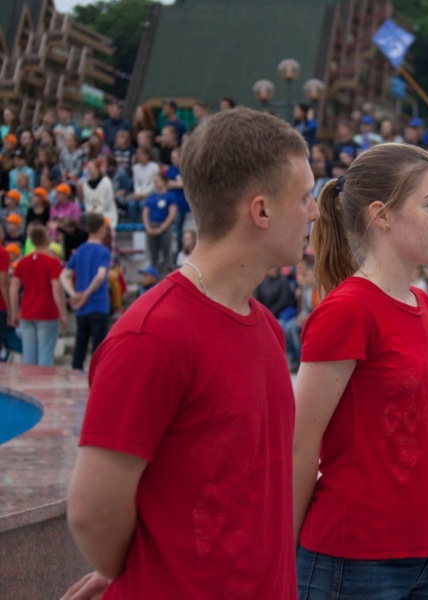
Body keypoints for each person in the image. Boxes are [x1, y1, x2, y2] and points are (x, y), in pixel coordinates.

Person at [63, 108, 317, 599]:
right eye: (305, 196)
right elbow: (92, 511)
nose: (314, 212)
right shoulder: (153, 337)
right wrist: (146, 568)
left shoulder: (264, 325)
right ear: (261, 211)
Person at [292, 143, 428, 599]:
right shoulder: (347, 310)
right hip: (353, 557)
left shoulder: (423, 304)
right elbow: (299, 445)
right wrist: (281, 555)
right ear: (382, 215)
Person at [8, 224, 66, 366]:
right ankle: (43, 381)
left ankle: (28, 380)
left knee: (28, 354)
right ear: (47, 240)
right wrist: (62, 312)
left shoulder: (23, 262)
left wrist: (14, 311)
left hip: (27, 311)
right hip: (47, 312)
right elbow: (57, 288)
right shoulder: (52, 262)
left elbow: (13, 288)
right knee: (45, 354)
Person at [60, 213, 111, 372]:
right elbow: (100, 275)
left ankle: (75, 376)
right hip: (98, 304)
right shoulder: (103, 251)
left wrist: (74, 294)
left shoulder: (80, 250)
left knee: (80, 345)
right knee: (98, 347)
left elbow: (64, 275)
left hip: (82, 308)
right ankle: (97, 378)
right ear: (101, 229)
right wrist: (87, 293)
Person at [142, 173, 178, 274]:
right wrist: (148, 228)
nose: (155, 183)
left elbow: (172, 214)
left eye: (157, 181)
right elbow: (145, 213)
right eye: (154, 181)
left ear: (164, 182)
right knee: (153, 255)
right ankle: (153, 275)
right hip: (152, 226)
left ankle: (166, 273)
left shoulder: (170, 197)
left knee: (166, 254)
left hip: (164, 227)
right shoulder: (151, 197)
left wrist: (162, 228)